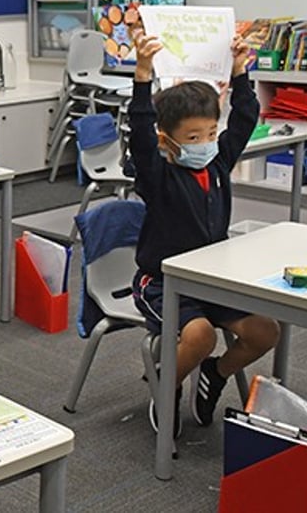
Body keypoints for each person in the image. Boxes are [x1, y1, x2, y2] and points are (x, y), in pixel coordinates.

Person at [128, 27, 280, 437]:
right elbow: (140, 137)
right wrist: (143, 77)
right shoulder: (157, 174)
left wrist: (240, 71)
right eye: (194, 137)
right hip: (162, 280)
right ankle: (166, 388)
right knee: (198, 335)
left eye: (211, 134)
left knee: (265, 331)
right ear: (168, 140)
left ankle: (215, 374)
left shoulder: (216, 164)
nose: (206, 143)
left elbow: (245, 118)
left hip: (212, 277)